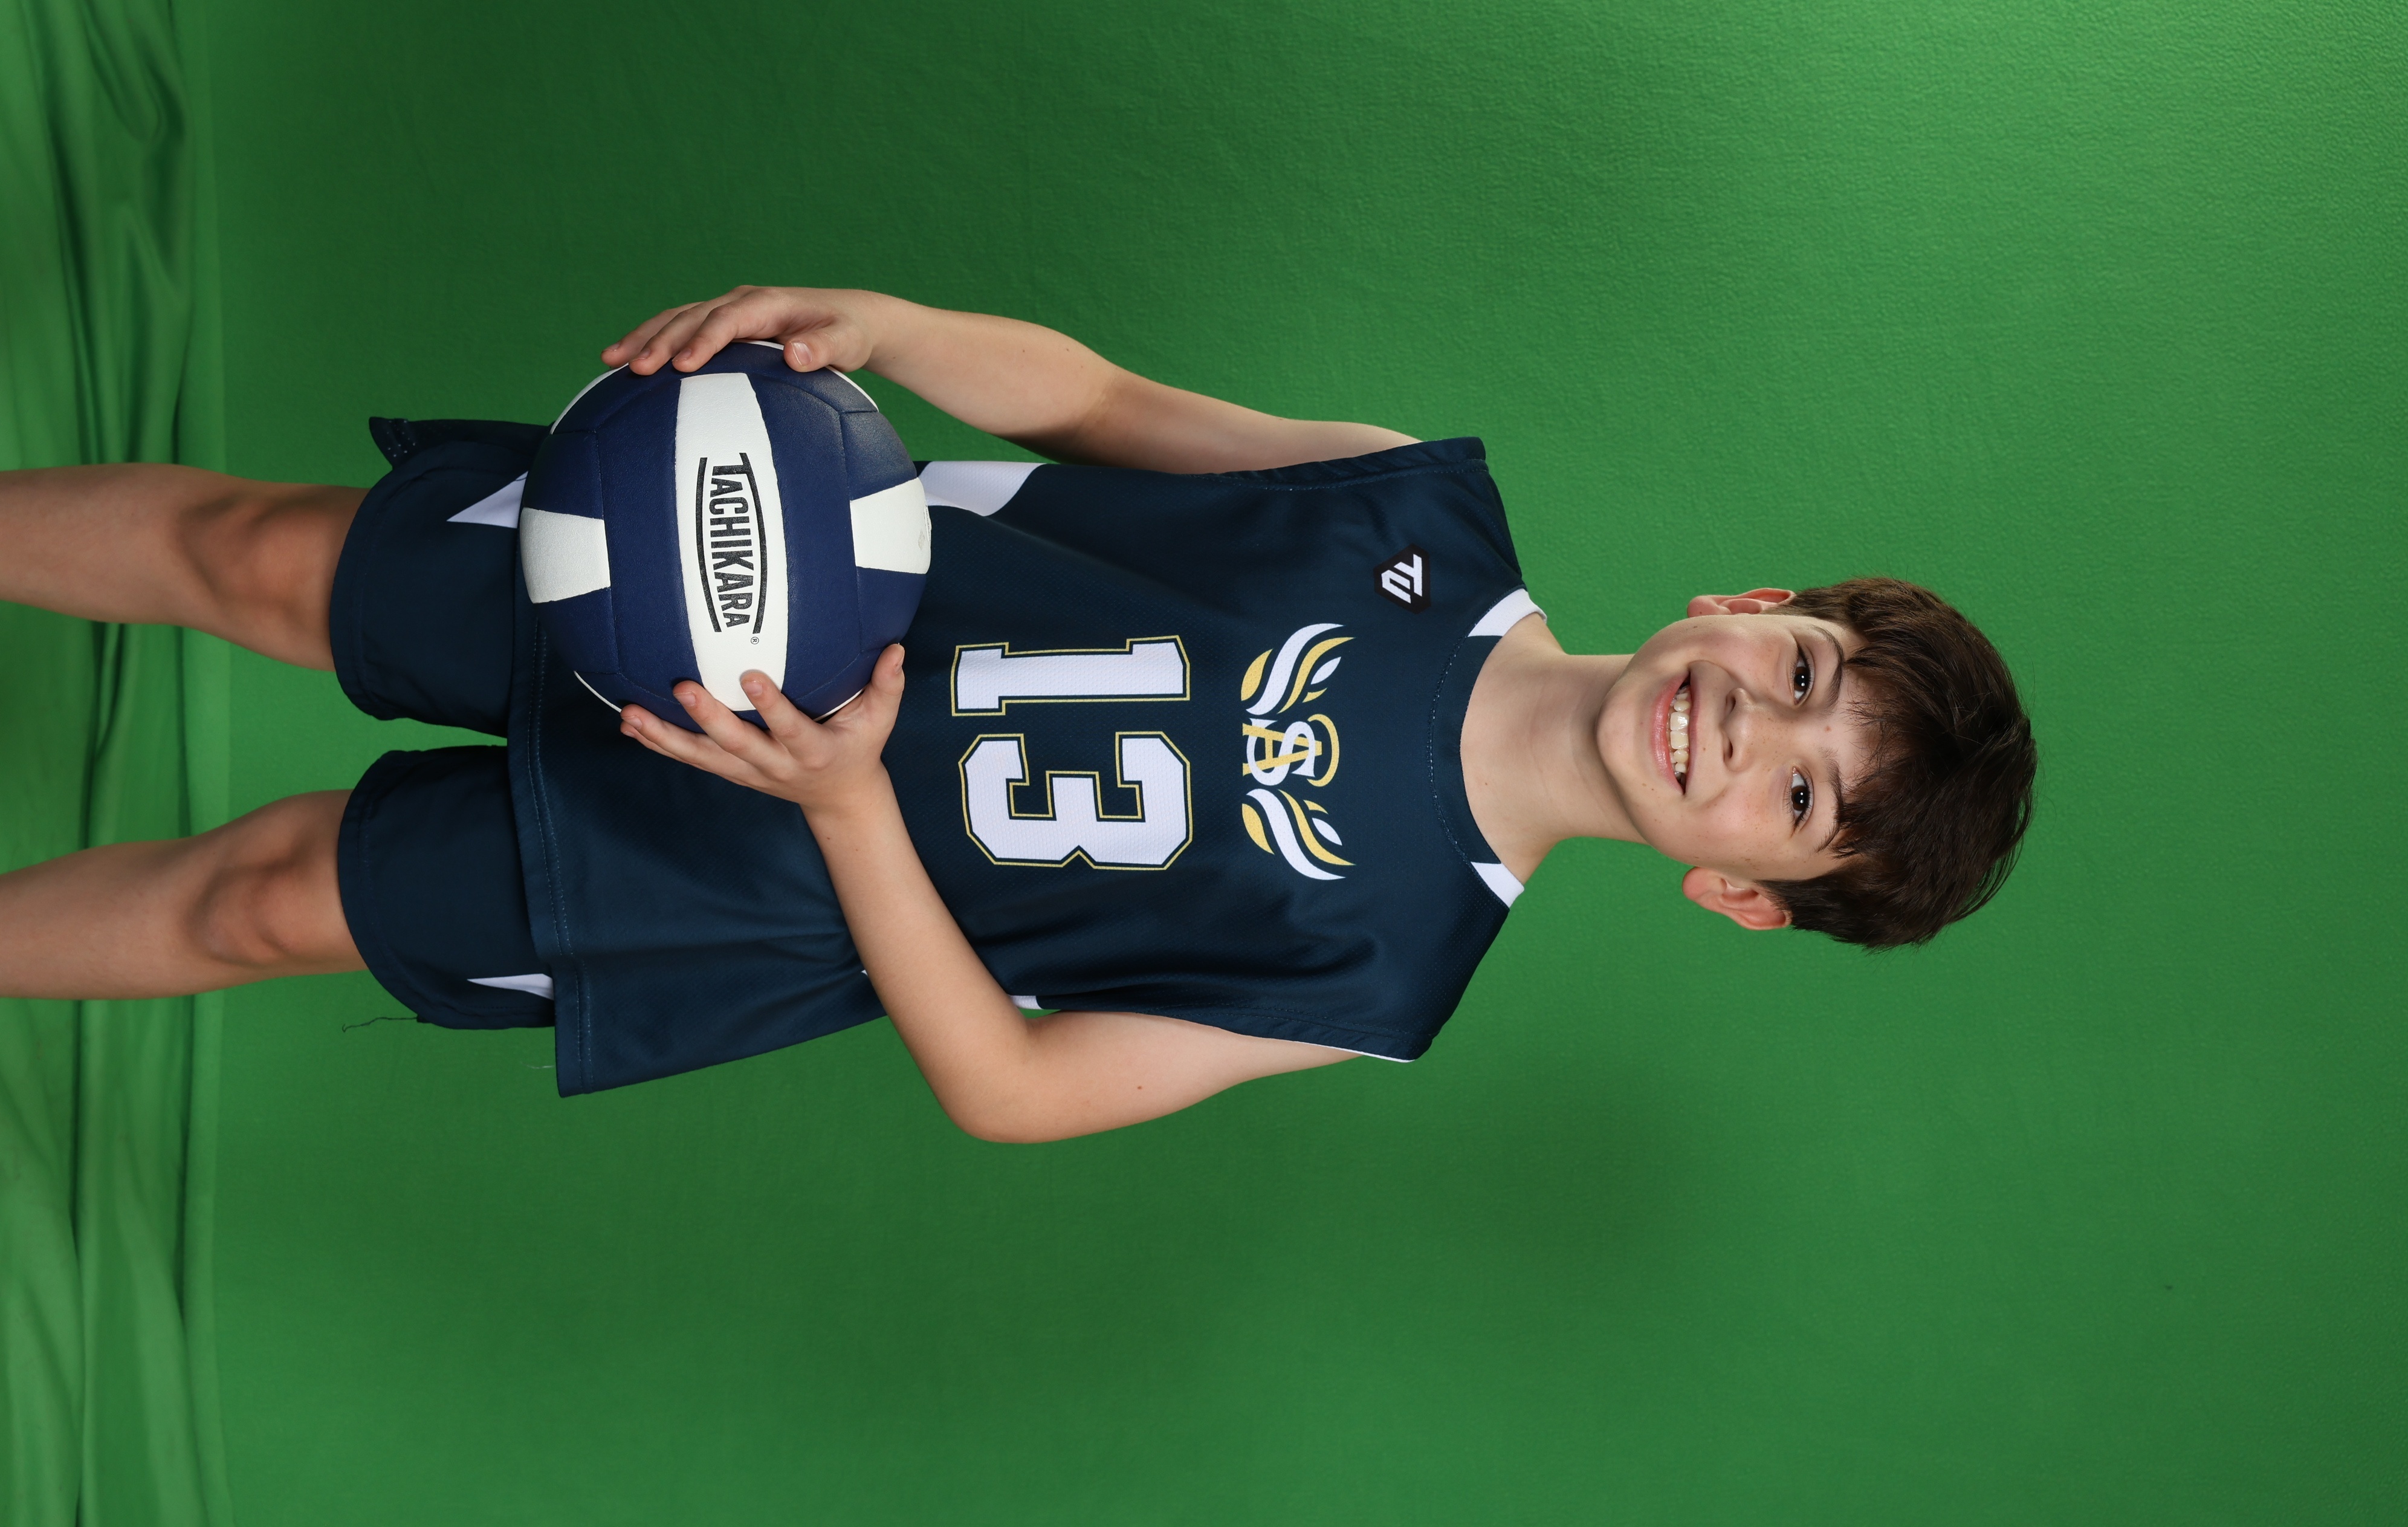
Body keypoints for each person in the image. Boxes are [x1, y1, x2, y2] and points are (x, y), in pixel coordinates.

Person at [0, 287, 2035, 1140]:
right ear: (1747, 607)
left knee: (267, 899)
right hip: (748, 558)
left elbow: (1020, 1088)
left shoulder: (1383, 968)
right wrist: (887, 326)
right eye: (1799, 675)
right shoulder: (1410, 509)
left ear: (1742, 895)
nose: (1743, 731)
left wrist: (847, 808)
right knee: (257, 555)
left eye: (1795, 801)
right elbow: (1093, 404)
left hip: (738, 873)